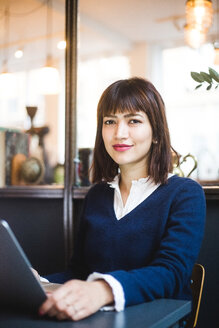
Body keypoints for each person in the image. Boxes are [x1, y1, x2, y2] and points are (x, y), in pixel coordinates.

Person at [38, 77, 206, 321]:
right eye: (110, 121)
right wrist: (37, 282)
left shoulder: (185, 194)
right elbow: (80, 273)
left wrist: (103, 289)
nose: (119, 133)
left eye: (134, 121)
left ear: (156, 133)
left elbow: (171, 273)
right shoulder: (97, 195)